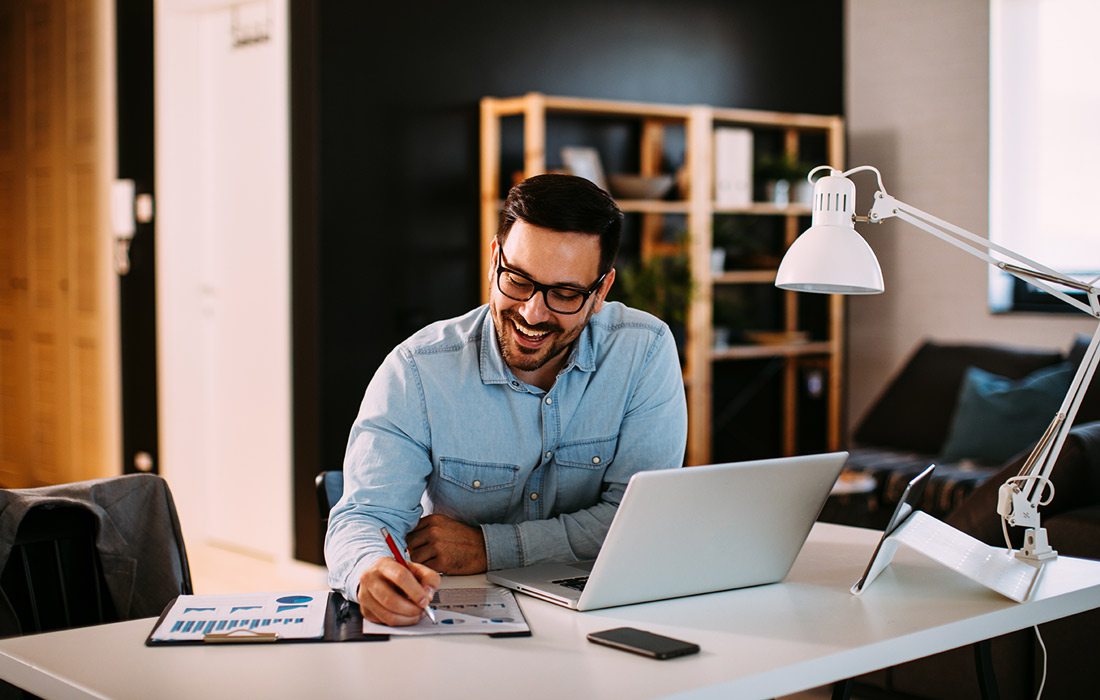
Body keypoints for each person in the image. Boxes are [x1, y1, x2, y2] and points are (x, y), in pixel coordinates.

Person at [325, 173, 688, 626]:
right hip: (462, 623)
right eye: (517, 279)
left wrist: (488, 547)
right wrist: (369, 571)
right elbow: (363, 517)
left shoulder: (644, 350)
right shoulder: (417, 370)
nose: (533, 312)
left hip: (602, 613)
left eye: (566, 293)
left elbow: (634, 519)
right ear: (495, 258)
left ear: (601, 292)